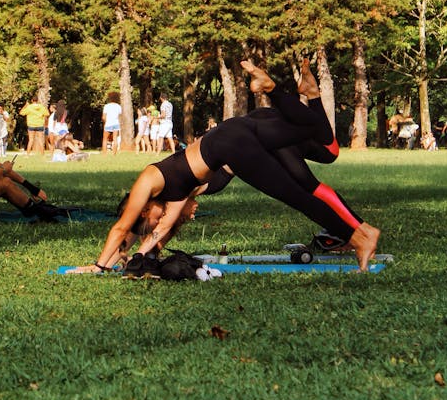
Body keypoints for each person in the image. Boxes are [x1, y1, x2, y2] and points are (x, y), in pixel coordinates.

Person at [79, 59, 380, 273]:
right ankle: (276, 89)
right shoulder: (173, 197)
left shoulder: (150, 178)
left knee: (299, 195)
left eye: (150, 218)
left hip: (230, 144)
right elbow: (158, 229)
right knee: (318, 135)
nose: (156, 223)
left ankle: (359, 238)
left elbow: (122, 227)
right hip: (237, 132)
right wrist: (134, 256)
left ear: (144, 207)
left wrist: (98, 265)